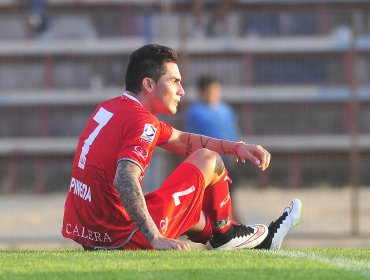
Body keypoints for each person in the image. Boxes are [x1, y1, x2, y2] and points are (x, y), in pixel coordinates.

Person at [62, 44, 301, 251]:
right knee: (208, 159)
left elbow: (180, 140)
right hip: (120, 235)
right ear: (148, 84)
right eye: (174, 81)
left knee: (191, 213)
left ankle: (258, 237)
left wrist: (237, 148)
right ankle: (226, 234)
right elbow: (125, 178)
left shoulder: (109, 108)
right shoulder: (142, 121)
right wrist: (155, 237)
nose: (181, 91)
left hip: (89, 233)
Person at [185, 76, 242, 221]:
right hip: (207, 162)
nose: (215, 94)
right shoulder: (195, 112)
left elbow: (233, 131)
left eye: (217, 90)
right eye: (211, 91)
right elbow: (191, 138)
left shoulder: (226, 109)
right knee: (208, 198)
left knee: (229, 196)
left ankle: (236, 226)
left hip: (227, 160)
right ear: (202, 92)